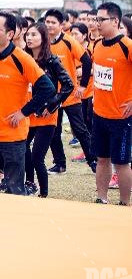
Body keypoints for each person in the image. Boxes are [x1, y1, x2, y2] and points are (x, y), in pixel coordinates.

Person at [0, 12, 55, 194]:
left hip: (12, 138)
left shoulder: (22, 59)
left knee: (15, 191)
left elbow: (48, 89)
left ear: (10, 34)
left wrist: (24, 112)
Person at [23, 22, 74, 197]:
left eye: (34, 35)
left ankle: (44, 194)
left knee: (37, 157)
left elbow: (68, 85)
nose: (29, 38)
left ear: (43, 38)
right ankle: (29, 184)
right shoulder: (24, 58)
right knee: (22, 149)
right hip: (27, 113)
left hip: (46, 116)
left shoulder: (52, 61)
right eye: (28, 34)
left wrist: (52, 104)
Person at [43, 9, 96, 175]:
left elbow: (86, 61)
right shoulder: (42, 42)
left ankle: (93, 161)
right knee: (53, 131)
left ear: (61, 25)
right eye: (47, 22)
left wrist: (83, 85)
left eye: (53, 22)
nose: (49, 25)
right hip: (51, 96)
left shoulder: (68, 41)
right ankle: (59, 164)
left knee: (80, 130)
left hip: (70, 95)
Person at [90, 2, 131, 206]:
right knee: (102, 158)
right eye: (96, 19)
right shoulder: (97, 45)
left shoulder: (127, 46)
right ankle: (102, 197)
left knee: (122, 162)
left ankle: (124, 202)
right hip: (99, 113)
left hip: (121, 117)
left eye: (101, 19)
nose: (97, 23)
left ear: (115, 21)